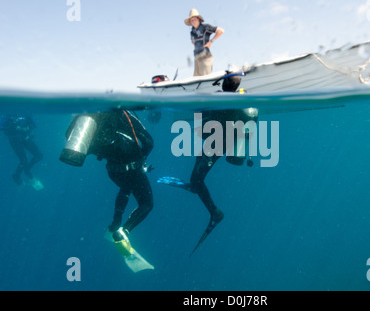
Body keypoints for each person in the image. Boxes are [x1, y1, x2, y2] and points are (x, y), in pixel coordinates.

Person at [158, 75, 258, 255]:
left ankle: (215, 212)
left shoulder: (221, 99)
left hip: (217, 143)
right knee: (196, 177)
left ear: (224, 83)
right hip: (221, 141)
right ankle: (194, 187)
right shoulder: (243, 100)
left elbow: (206, 123)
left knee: (197, 179)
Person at [60, 110, 154, 246]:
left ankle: (115, 223)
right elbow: (149, 142)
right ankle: (123, 231)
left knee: (126, 187)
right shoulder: (123, 114)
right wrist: (141, 159)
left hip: (113, 172)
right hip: (131, 169)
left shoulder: (97, 115)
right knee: (147, 204)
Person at [0, 114, 43, 187]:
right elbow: (1, 126)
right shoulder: (7, 114)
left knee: (39, 156)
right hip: (14, 140)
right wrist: (14, 127)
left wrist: (26, 128)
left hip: (26, 138)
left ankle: (27, 170)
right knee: (23, 161)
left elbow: (34, 124)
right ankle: (16, 176)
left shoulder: (25, 112)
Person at [185, 8, 224, 76]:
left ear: (199, 19)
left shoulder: (205, 27)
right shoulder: (192, 32)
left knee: (205, 78)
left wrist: (211, 41)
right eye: (191, 20)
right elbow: (193, 41)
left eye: (194, 19)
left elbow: (220, 31)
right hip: (197, 57)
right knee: (196, 80)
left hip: (205, 56)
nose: (193, 21)